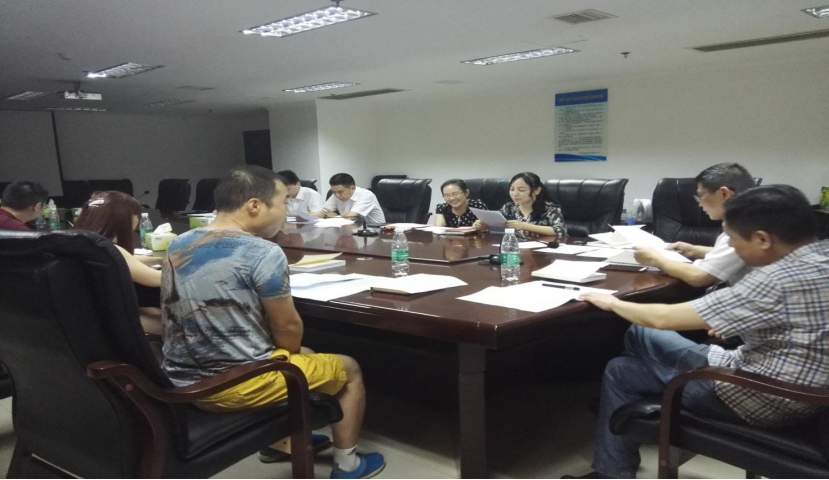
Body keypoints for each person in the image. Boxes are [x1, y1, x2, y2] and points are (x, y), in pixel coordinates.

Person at [565, 185, 829, 480]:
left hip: (759, 395)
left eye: (732, 239)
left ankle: (614, 454)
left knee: (640, 332)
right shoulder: (821, 257)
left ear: (762, 239)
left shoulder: (774, 280)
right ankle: (612, 470)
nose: (731, 248)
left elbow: (663, 319)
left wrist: (612, 302)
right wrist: (734, 319)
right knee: (621, 369)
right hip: (807, 393)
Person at [161, 166, 385, 479]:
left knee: (305, 353)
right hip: (233, 386)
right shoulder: (262, 251)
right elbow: (287, 328)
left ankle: (278, 442)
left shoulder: (180, 242)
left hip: (179, 380)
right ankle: (348, 464)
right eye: (282, 203)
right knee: (348, 369)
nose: (286, 211)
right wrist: (290, 352)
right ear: (254, 205)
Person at [633, 163, 756, 287]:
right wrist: (694, 250)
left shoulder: (743, 229)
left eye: (700, 196)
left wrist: (655, 259)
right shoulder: (753, 218)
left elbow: (699, 277)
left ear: (724, 193)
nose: (699, 204)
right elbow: (732, 254)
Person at [74, 191, 163, 335]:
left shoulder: (86, 242)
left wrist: (158, 259)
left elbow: (126, 259)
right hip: (108, 320)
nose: (137, 219)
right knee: (184, 324)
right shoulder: (108, 249)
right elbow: (158, 279)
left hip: (88, 313)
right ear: (123, 218)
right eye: (136, 215)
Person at [475, 172, 567, 240]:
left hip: (544, 250)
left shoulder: (550, 209)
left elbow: (560, 231)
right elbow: (497, 227)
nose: (515, 194)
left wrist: (524, 226)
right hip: (514, 247)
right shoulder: (509, 207)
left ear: (537, 190)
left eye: (521, 190)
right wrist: (484, 226)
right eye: (512, 189)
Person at [313, 174, 386, 224]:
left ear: (352, 188)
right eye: (334, 192)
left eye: (340, 192)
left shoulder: (366, 195)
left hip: (374, 232)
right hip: (351, 229)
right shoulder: (336, 194)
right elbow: (323, 213)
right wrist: (307, 217)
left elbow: (349, 218)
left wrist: (335, 217)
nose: (337, 195)